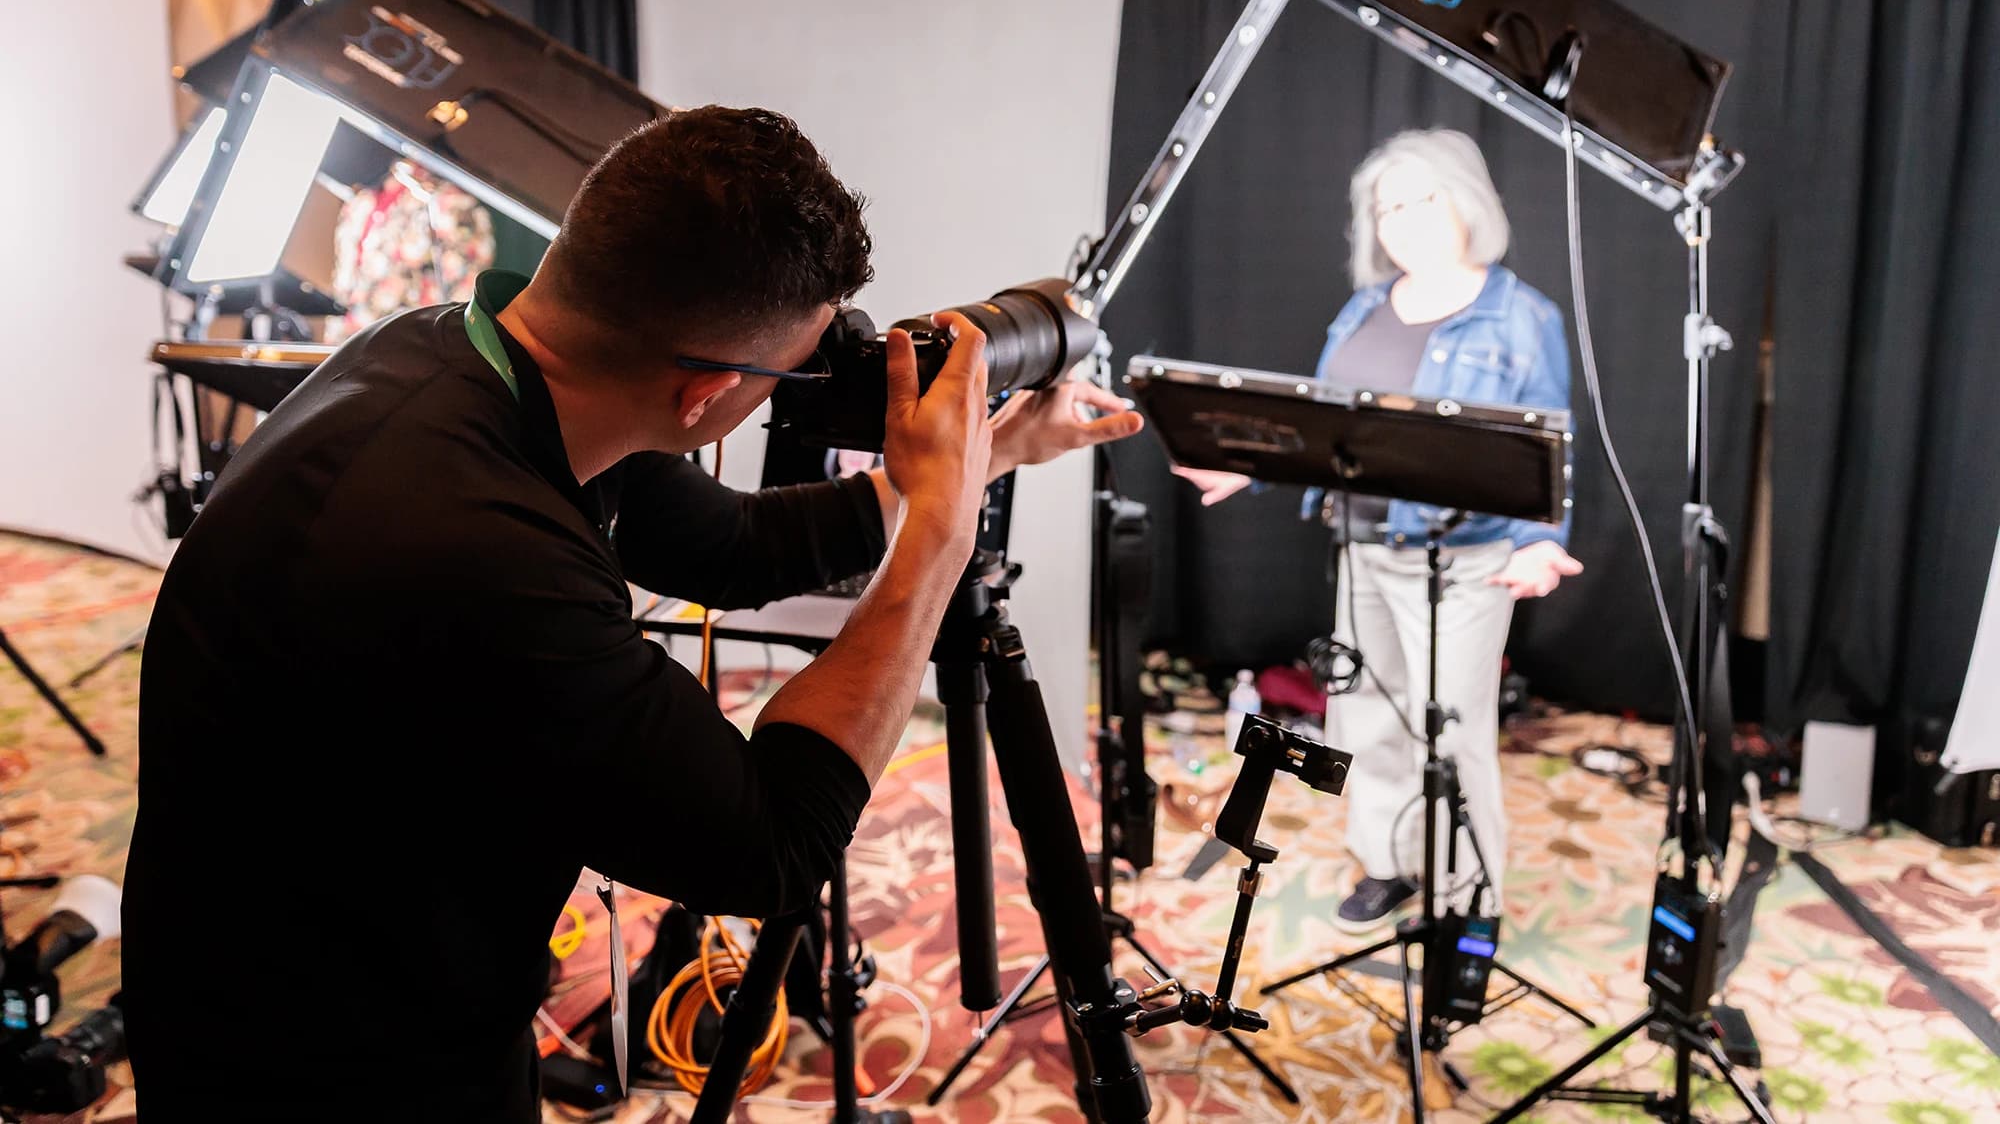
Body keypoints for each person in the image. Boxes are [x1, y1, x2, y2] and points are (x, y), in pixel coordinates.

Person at [122, 106, 1143, 1120]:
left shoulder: (462, 357)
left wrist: (990, 450)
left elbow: (732, 547)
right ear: (701, 392)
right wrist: (938, 537)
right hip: (325, 1056)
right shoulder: (479, 549)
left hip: (335, 934)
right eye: (794, 366)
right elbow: (772, 843)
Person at [1174, 128, 1581, 931]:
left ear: (1466, 201)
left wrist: (1541, 539)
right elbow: (1332, 432)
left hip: (1463, 564)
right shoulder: (1364, 309)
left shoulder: (1522, 317)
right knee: (1367, 720)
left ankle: (1468, 900)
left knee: (1451, 734)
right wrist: (1255, 468)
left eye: (1420, 199)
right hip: (1361, 552)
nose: (1401, 220)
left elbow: (1551, 447)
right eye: (1387, 207)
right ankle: (1391, 864)